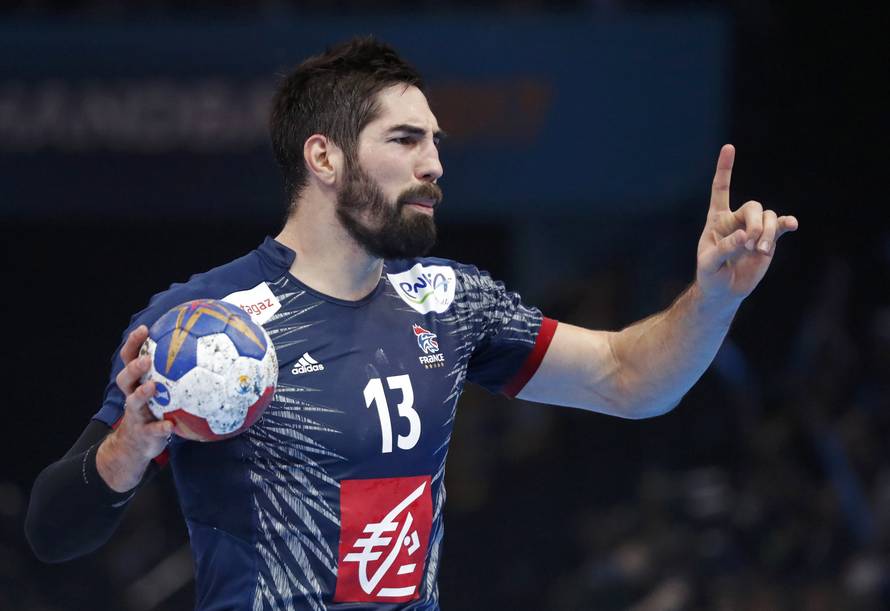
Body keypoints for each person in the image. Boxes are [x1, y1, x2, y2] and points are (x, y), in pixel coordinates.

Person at [25, 37, 797, 610]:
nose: (434, 163)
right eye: (405, 139)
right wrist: (129, 445)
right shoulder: (200, 326)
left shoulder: (452, 302)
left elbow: (631, 379)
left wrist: (715, 296)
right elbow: (52, 531)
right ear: (323, 158)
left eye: (436, 142)